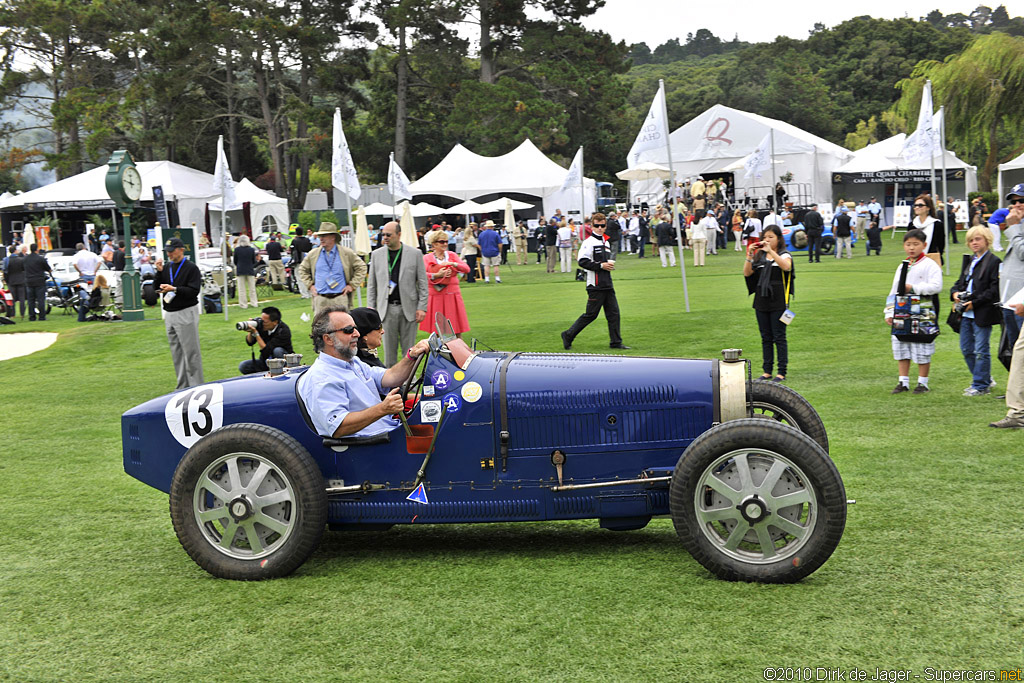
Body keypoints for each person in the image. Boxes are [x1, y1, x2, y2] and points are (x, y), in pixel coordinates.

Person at [298, 306, 431, 438]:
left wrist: (411, 355)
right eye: (348, 330)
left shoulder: (353, 362)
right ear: (328, 339)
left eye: (355, 328)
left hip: (389, 431)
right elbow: (338, 427)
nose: (357, 334)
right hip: (373, 445)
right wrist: (382, 409)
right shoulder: (321, 377)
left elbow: (390, 377)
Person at [884, 229, 943, 394]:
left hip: (923, 310)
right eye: (908, 244)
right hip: (902, 309)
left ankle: (923, 383)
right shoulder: (903, 265)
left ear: (924, 245)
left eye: (916, 244)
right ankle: (903, 381)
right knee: (901, 344)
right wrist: (889, 312)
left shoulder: (930, 265)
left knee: (922, 344)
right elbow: (893, 290)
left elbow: (937, 286)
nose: (912, 248)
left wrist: (914, 288)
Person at [560, 212, 628, 350]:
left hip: (607, 284)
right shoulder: (588, 242)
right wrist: (601, 265)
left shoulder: (606, 242)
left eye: (602, 225)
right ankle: (568, 335)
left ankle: (615, 342)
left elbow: (603, 261)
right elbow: (582, 261)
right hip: (595, 285)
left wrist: (607, 265)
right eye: (597, 225)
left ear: (605, 225)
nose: (600, 228)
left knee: (614, 314)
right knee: (590, 315)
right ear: (592, 226)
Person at [367, 221, 428, 367]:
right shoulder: (376, 255)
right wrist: (371, 308)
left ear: (399, 234)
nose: (385, 238)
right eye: (383, 235)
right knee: (389, 352)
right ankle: (391, 383)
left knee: (410, 350)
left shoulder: (415, 254)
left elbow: (423, 283)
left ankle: (409, 381)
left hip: (410, 309)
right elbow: (372, 285)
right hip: (386, 310)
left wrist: (422, 307)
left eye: (389, 235)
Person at [951, 226, 1001, 396]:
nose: (974, 243)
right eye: (971, 240)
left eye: (978, 239)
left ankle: (981, 385)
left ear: (987, 240)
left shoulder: (994, 262)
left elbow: (994, 291)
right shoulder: (970, 260)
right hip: (965, 312)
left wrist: (975, 303)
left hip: (982, 312)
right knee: (966, 349)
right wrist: (955, 294)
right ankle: (984, 378)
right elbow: (959, 283)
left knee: (981, 350)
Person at [743, 225, 794, 382]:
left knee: (779, 336)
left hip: (778, 301)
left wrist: (771, 252)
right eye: (765, 237)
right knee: (765, 337)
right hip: (761, 300)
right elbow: (747, 273)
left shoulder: (784, 254)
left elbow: (786, 267)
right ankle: (767, 371)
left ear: (778, 238)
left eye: (771, 237)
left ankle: (781, 372)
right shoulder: (760, 256)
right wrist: (750, 254)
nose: (767, 240)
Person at [155, 237, 204, 390]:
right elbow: (156, 287)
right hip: (170, 312)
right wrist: (158, 273)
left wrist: (174, 289)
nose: (169, 254)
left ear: (181, 250)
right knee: (176, 352)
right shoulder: (167, 267)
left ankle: (196, 385)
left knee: (191, 351)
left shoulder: (191, 268)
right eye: (167, 252)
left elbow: (194, 291)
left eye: (172, 251)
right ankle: (182, 386)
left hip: (185, 311)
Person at [297, 222, 367, 312]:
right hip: (320, 299)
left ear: (333, 237)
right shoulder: (313, 254)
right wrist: (310, 285)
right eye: (320, 236)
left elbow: (362, 267)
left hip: (340, 298)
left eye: (324, 235)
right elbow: (302, 269)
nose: (321, 239)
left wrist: (352, 285)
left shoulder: (346, 253)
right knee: (320, 326)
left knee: (343, 326)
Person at [421, 231, 471, 337]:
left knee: (456, 328)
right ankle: (438, 351)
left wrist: (453, 264)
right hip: (435, 295)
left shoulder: (452, 255)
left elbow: (466, 269)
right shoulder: (426, 258)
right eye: (441, 242)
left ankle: (459, 351)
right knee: (436, 329)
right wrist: (437, 275)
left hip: (452, 295)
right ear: (434, 244)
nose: (444, 244)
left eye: (446, 241)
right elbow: (421, 275)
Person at [883, 194, 945, 264]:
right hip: (915, 260)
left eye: (920, 205)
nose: (917, 207)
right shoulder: (912, 225)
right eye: (915, 205)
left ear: (928, 207)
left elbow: (941, 245)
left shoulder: (937, 224)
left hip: (932, 260)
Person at [998, 185, 1024, 347]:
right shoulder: (1019, 225)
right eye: (1014, 202)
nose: (1017, 205)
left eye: (1022, 200)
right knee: (1014, 350)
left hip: (1021, 300)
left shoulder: (1016, 226)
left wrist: (1013, 226)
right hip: (1009, 298)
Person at [237, 306, 293, 374]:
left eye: (265, 322)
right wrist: (251, 330)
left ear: (275, 322)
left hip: (282, 360)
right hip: (266, 361)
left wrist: (256, 334)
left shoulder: (283, 331)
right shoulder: (262, 326)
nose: (262, 323)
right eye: (261, 320)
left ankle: (284, 373)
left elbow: (266, 350)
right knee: (243, 366)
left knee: (277, 351)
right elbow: (250, 342)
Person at [23, 243, 51, 321]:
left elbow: (23, 268)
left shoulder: (25, 259)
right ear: (37, 249)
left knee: (31, 300)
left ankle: (32, 316)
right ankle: (42, 316)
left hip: (29, 281)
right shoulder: (40, 258)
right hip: (39, 281)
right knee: (40, 300)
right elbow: (48, 268)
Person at [233, 234, 258, 309]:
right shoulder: (251, 249)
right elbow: (254, 261)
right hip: (250, 270)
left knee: (241, 289)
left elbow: (235, 261)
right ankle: (254, 303)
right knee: (252, 288)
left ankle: (243, 304)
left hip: (240, 270)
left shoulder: (237, 250)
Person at [4, 244, 26, 319]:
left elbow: (5, 271)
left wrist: (7, 281)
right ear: (15, 251)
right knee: (22, 298)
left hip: (11, 280)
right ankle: (22, 314)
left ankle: (13, 314)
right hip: (20, 280)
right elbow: (23, 269)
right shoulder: (21, 260)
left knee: (12, 298)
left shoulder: (6, 260)